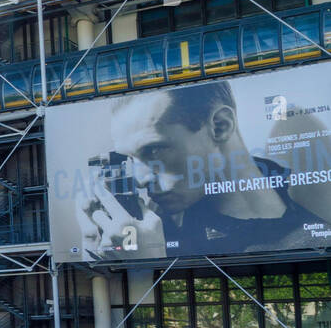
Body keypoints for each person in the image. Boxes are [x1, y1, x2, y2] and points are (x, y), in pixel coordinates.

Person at [76, 83, 331, 260]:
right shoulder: (151, 226)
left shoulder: (312, 240)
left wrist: (150, 262)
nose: (141, 179)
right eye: (131, 158)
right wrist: (90, 242)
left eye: (154, 150)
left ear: (220, 126)